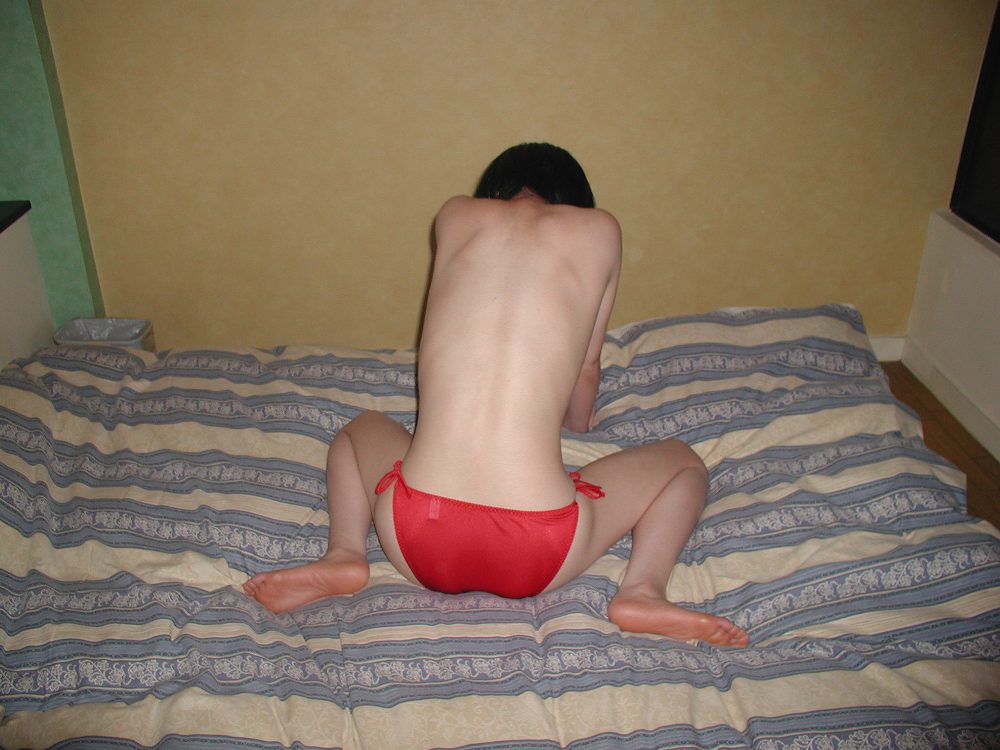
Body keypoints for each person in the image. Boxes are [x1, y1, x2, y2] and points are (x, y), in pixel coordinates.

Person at [243, 143, 749, 647]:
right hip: (541, 550)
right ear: (575, 199)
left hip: (413, 534)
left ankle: (344, 554)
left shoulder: (454, 214)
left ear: (494, 190)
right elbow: (586, 369)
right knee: (683, 464)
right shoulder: (600, 230)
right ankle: (642, 590)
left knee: (360, 430)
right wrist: (579, 431)